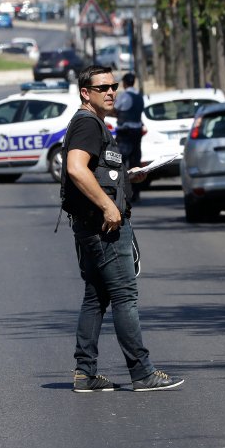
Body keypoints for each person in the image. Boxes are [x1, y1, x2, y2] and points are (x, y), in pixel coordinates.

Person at [60, 65, 184, 392]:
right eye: (102, 88)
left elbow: (96, 171)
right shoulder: (88, 123)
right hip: (104, 227)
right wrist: (108, 205)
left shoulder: (91, 123)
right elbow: (75, 168)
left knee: (96, 297)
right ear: (85, 92)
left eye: (113, 86)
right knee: (124, 296)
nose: (111, 92)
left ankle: (85, 373)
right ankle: (142, 372)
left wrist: (128, 178)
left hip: (90, 225)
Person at [113, 72, 144, 202]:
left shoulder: (125, 96)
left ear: (125, 83)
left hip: (125, 132)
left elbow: (115, 109)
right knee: (135, 162)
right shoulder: (139, 96)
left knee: (120, 162)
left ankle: (122, 191)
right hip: (137, 132)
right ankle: (136, 192)